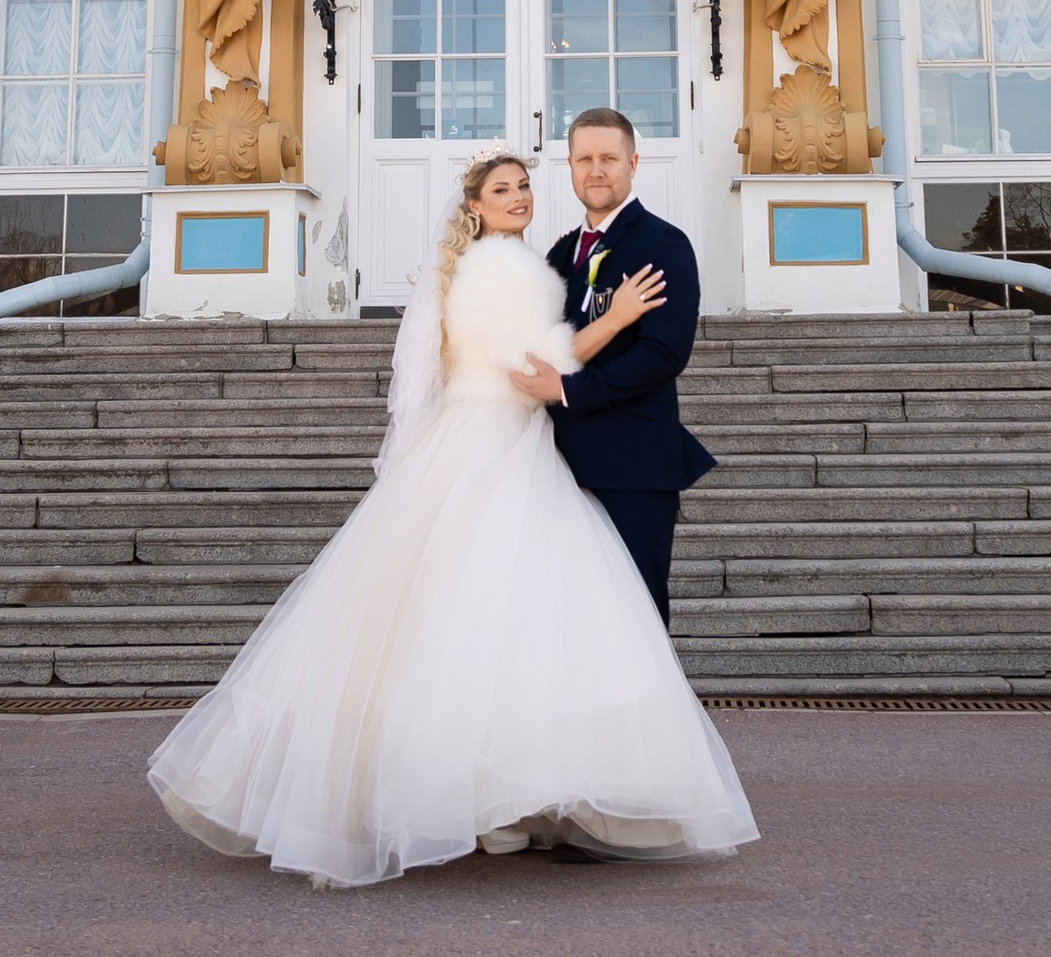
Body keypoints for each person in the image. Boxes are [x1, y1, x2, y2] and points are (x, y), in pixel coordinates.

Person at [148, 147, 756, 888]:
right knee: (504, 622)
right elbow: (538, 367)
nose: (520, 195)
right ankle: (498, 802)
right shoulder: (503, 267)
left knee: (464, 623)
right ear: (474, 206)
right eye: (503, 189)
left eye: (526, 185)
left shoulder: (514, 262)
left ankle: (493, 806)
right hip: (500, 436)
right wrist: (619, 315)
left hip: (482, 437)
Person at [514, 108, 713, 627]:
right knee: (575, 618)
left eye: (608, 158)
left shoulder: (663, 244)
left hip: (633, 464)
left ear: (633, 163)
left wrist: (571, 390)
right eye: (584, 159)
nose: (596, 170)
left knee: (635, 615)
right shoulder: (560, 254)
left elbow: (665, 353)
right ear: (571, 166)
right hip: (560, 465)